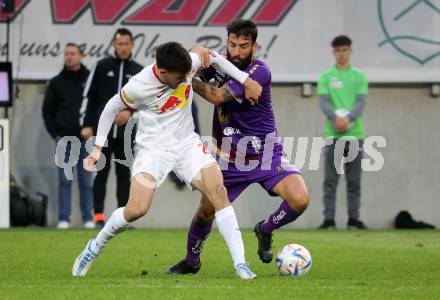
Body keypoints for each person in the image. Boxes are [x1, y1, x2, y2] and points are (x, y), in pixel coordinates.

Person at [72, 42, 263, 279]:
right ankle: (93, 248)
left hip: (186, 144)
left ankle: (241, 264)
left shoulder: (186, 64)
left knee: (218, 191)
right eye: (180, 77)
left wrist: (245, 80)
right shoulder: (139, 86)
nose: (186, 80)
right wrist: (98, 147)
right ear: (162, 73)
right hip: (153, 149)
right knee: (136, 209)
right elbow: (111, 109)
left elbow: (214, 59)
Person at [165, 19, 310, 275]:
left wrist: (187, 79)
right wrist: (197, 53)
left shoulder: (260, 71)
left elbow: (216, 96)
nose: (237, 51)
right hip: (229, 157)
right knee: (205, 213)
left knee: (300, 199)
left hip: (266, 152)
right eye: (232, 44)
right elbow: (194, 62)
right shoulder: (221, 62)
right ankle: (191, 262)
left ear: (255, 45)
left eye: (244, 46)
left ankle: (265, 229)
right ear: (227, 41)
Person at [80, 28, 143, 228]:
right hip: (102, 134)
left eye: (127, 44)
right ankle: (98, 217)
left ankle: (122, 219)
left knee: (124, 175)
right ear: (114, 46)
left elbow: (145, 103)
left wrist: (130, 114)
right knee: (101, 173)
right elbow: (88, 97)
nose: (123, 47)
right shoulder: (102, 66)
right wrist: (87, 124)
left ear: (132, 45)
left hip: (127, 134)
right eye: (120, 44)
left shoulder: (140, 71)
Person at [317, 35, 368, 229]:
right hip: (333, 134)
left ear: (350, 51)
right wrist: (335, 119)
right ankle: (328, 220)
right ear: (333, 52)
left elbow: (361, 102)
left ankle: (353, 219)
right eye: (338, 50)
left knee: (354, 181)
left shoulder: (359, 76)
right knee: (330, 180)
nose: (341, 54)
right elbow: (324, 102)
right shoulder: (326, 77)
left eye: (345, 50)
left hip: (355, 135)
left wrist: (349, 120)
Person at [42, 43, 94, 229]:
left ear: (81, 56)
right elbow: (47, 111)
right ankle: (64, 218)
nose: (69, 57)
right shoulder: (56, 82)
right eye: (67, 54)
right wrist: (55, 134)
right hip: (63, 140)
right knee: (64, 181)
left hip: (86, 140)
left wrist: (93, 128)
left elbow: (97, 106)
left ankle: (88, 218)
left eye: (73, 53)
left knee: (86, 181)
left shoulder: (90, 80)